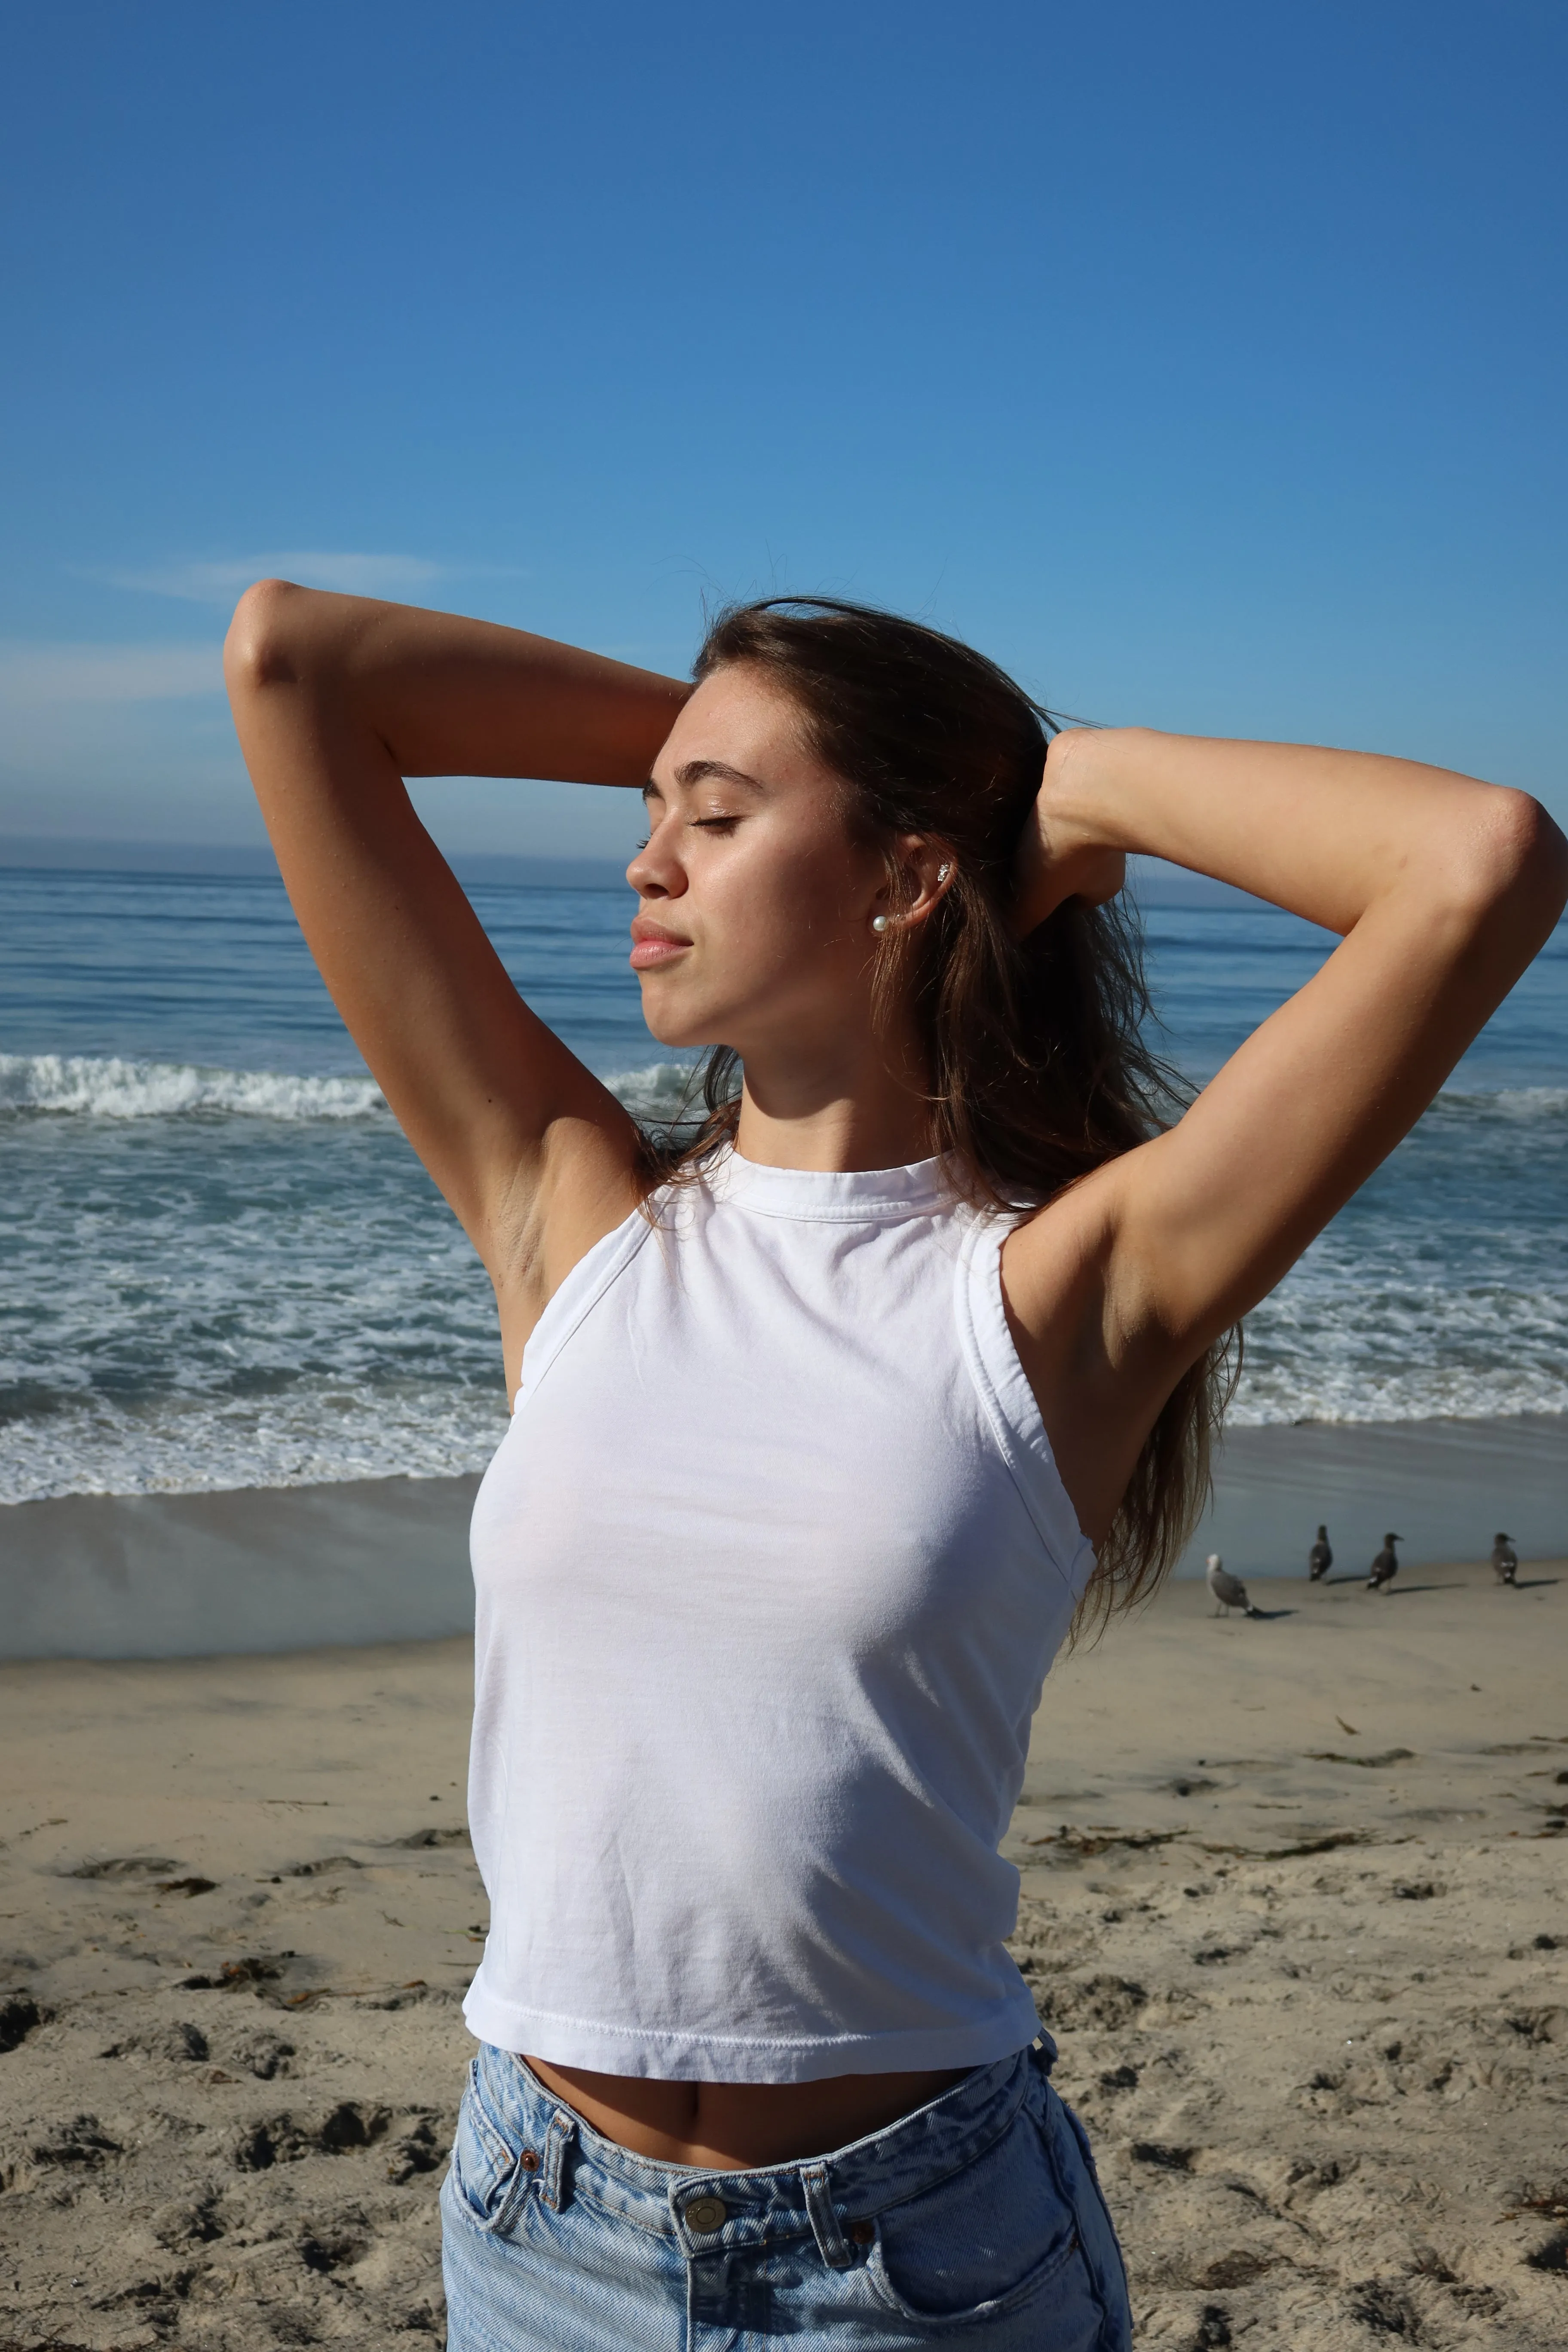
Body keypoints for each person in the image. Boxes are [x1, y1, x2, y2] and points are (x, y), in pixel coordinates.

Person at [224, 587, 1565, 2350]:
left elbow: (1479, 861)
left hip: (914, 2263)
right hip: (536, 2226)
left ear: (908, 876)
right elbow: (292, 667)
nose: (645, 862)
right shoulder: (566, 1214)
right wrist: (748, 738)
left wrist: (1062, 790)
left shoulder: (1062, 1290)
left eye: (712, 816)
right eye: (650, 808)